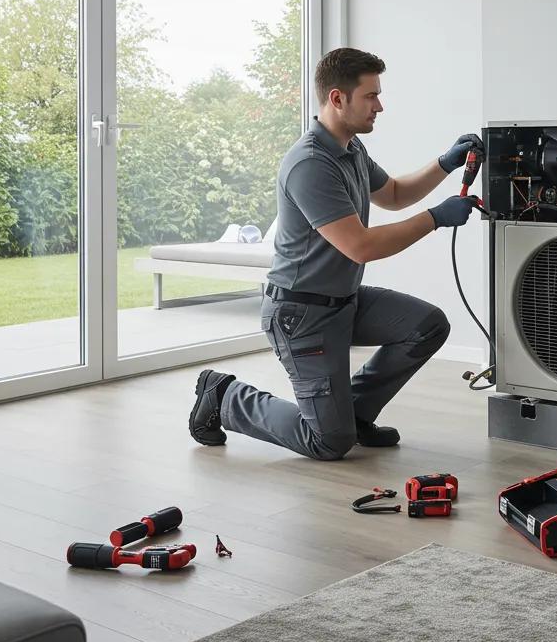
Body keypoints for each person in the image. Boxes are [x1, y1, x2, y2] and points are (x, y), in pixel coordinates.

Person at [188, 47, 481, 460]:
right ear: (338, 99)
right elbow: (360, 246)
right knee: (328, 442)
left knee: (427, 326)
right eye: (371, 96)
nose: (380, 105)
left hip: (343, 302)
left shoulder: (350, 149)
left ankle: (354, 414)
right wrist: (435, 218)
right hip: (301, 316)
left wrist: (445, 164)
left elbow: (394, 195)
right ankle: (224, 397)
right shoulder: (310, 163)